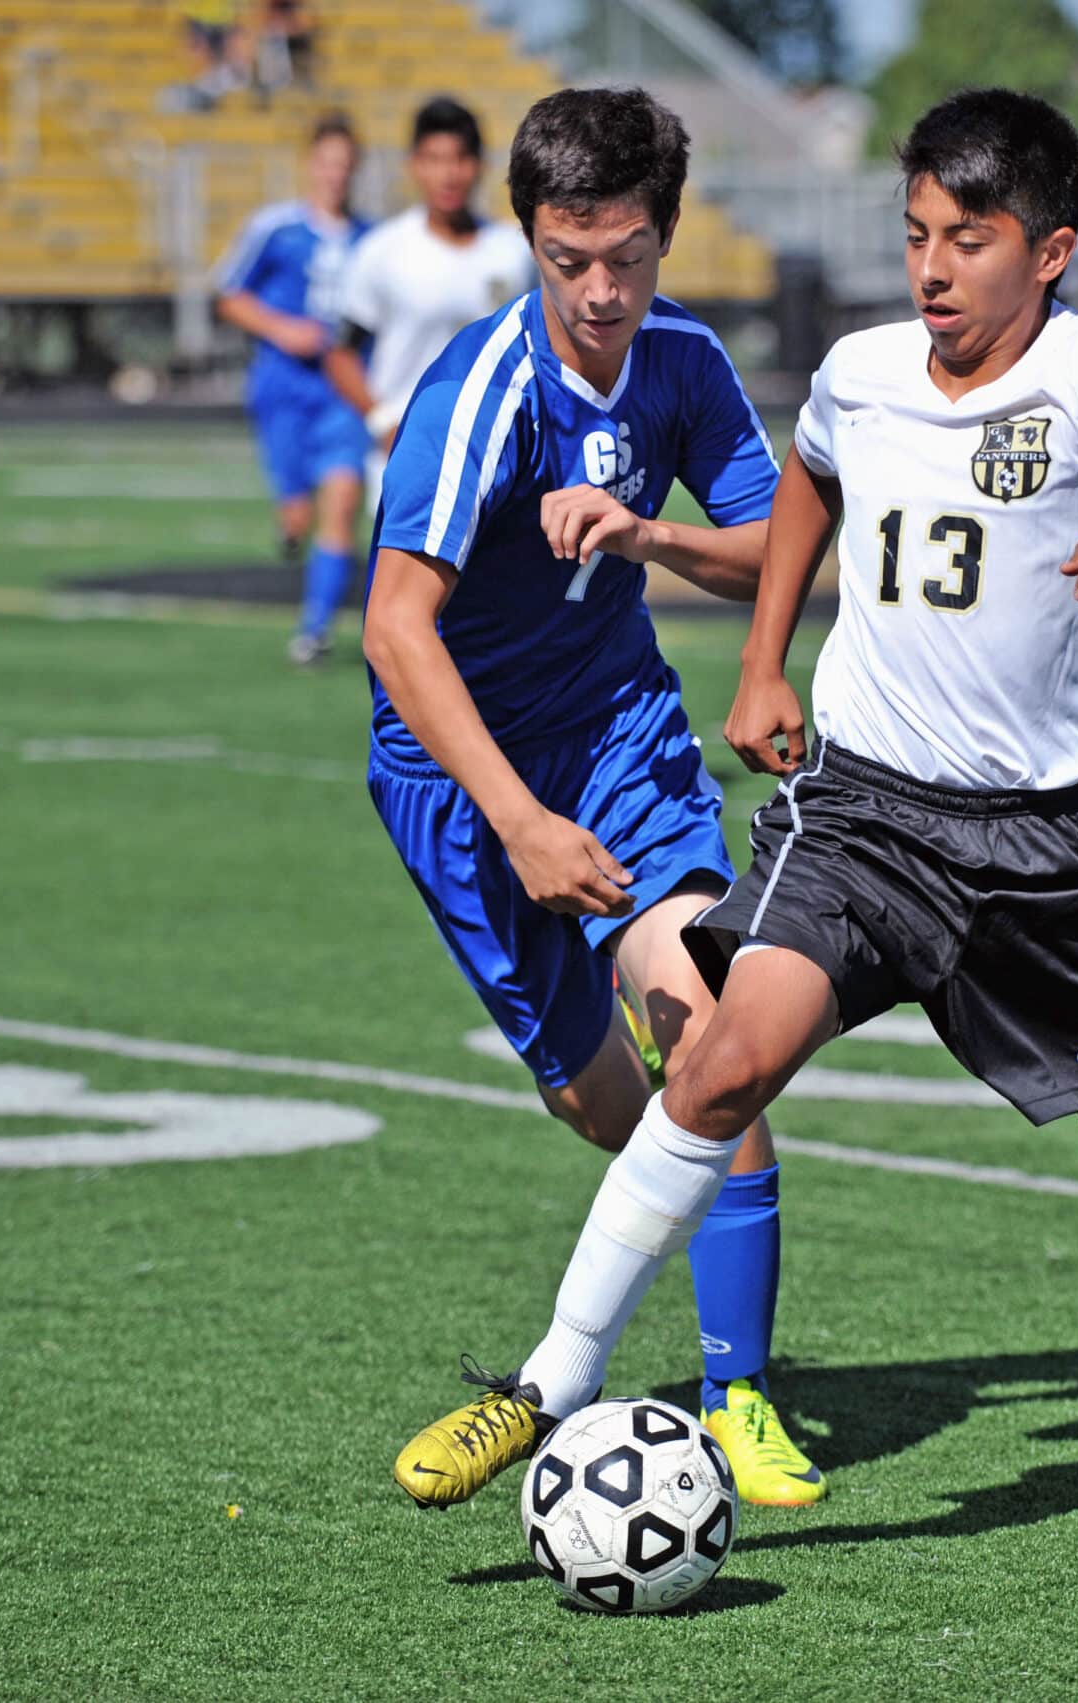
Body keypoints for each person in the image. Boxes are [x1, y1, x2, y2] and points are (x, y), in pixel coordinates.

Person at [394, 87, 1078, 1522]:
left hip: (1041, 844)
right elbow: (810, 479)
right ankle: (551, 1379)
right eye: (917, 233)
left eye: (970, 240)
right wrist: (762, 666)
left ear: (1049, 251)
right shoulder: (866, 368)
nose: (933, 268)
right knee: (720, 1059)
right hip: (862, 813)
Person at [367, 87, 825, 1510]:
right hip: (462, 785)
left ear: (668, 234)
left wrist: (648, 534)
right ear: (529, 240)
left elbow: (776, 545)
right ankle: (611, 1323)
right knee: (606, 1103)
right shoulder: (480, 392)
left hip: (621, 737)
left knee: (711, 1008)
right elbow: (396, 631)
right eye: (570, 261)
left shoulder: (682, 363)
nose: (602, 291)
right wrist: (515, 818)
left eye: (628, 254)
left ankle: (736, 1388)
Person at [323, 97, 534, 523]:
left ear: (479, 165)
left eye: (460, 159)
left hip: (497, 454)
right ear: (414, 165)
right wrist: (383, 422)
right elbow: (340, 352)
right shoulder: (382, 251)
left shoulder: (514, 253)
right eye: (434, 159)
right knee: (408, 589)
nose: (448, 173)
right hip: (409, 454)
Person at [213, 113, 373, 665]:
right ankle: (290, 522)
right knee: (298, 514)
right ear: (311, 166)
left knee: (344, 499)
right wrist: (283, 330)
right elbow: (228, 293)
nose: (336, 175)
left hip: (343, 392)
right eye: (328, 163)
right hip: (282, 390)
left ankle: (315, 630)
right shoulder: (276, 228)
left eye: (346, 166)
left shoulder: (371, 239)